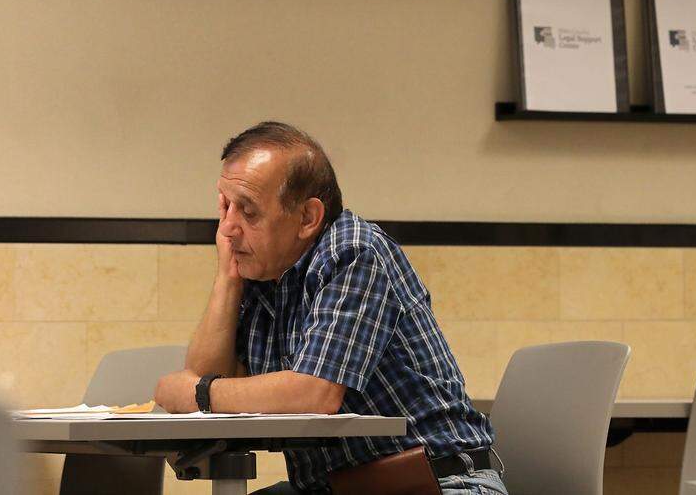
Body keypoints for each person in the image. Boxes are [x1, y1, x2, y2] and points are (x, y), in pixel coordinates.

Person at [154, 121, 507, 495]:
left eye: (248, 212)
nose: (227, 228)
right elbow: (208, 378)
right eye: (225, 207)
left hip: (438, 482)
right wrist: (227, 278)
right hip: (338, 488)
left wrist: (202, 394)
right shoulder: (263, 272)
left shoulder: (354, 252)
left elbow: (315, 393)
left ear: (307, 218)